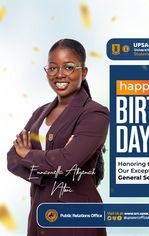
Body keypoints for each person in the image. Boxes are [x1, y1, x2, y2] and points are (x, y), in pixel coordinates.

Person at [7, 39, 109, 236]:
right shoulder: (40, 113)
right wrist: (53, 169)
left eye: (69, 67)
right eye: (52, 68)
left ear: (84, 71)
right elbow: (12, 159)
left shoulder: (95, 114)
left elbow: (67, 163)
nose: (59, 74)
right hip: (39, 217)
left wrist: (28, 154)